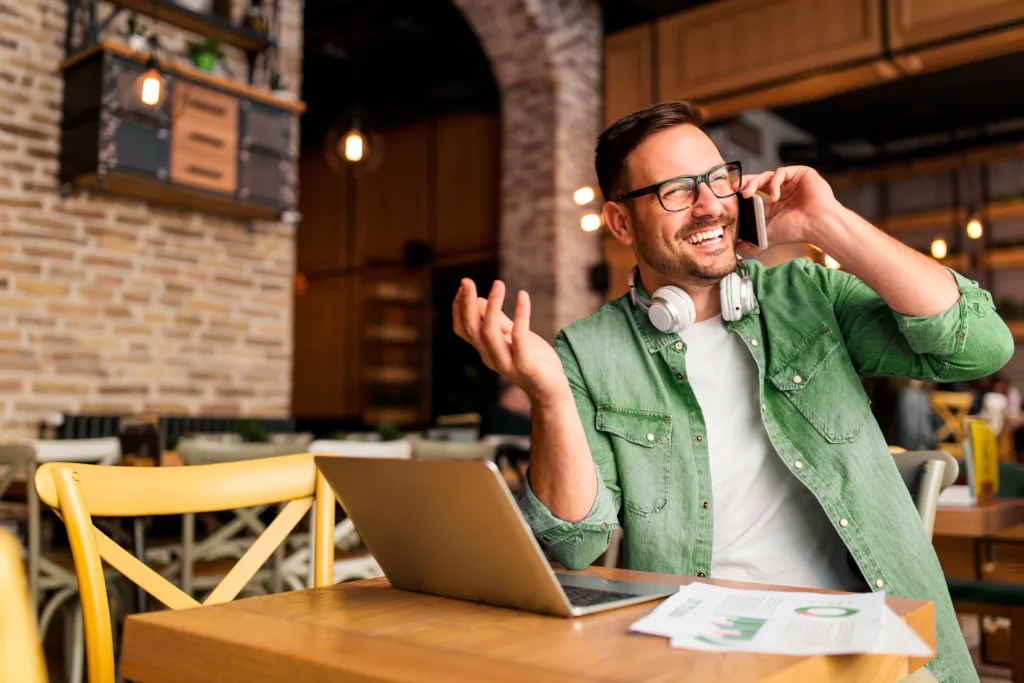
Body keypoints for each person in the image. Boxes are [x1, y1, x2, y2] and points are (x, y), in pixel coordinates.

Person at [452, 102, 1014, 683]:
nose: (709, 205)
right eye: (676, 190)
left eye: (718, 180)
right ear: (620, 223)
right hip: (698, 654)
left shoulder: (807, 295)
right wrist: (549, 396)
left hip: (870, 643)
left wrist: (828, 223)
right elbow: (573, 543)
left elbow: (979, 347)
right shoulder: (588, 353)